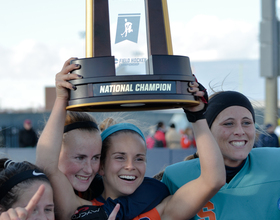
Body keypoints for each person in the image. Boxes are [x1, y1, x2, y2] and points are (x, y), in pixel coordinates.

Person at [36, 58, 170, 220]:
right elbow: (46, 165)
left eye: (96, 158)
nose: (89, 168)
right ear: (57, 152)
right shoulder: (31, 189)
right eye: (79, 157)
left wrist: (106, 211)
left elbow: (155, 189)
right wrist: (61, 99)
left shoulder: (100, 188)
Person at [90, 88, 225, 219]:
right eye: (120, 157)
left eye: (139, 158)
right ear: (101, 166)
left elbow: (213, 180)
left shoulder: (159, 208)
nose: (130, 166)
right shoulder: (82, 209)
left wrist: (197, 115)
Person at [162, 90, 280, 219]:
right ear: (207, 130)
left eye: (246, 122)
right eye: (228, 123)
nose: (239, 131)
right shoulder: (176, 176)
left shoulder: (275, 162)